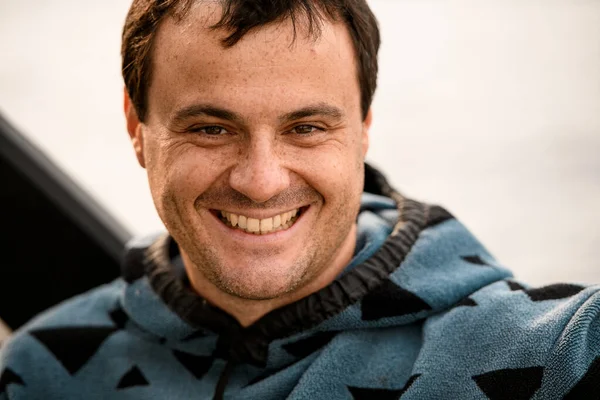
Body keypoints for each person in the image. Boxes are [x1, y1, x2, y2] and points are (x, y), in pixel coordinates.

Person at [1, 0, 598, 398]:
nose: (260, 181)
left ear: (363, 127)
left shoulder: (549, 353)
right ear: (137, 127)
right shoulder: (40, 372)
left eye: (306, 128)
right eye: (211, 128)